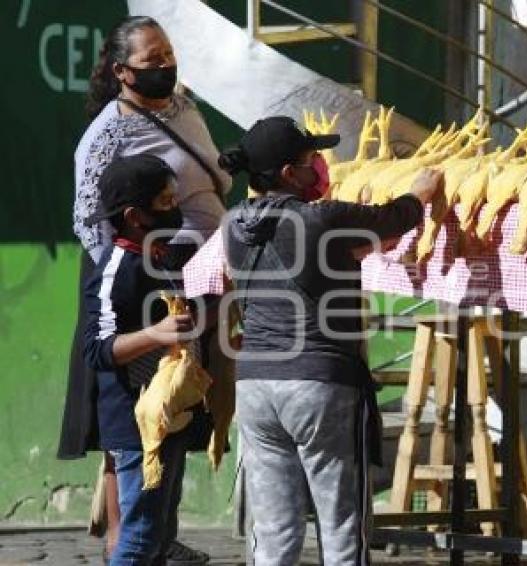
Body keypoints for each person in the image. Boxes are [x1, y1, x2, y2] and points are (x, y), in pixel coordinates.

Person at [219, 116, 442, 565]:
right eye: (310, 160)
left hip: (255, 388)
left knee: (274, 530)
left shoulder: (231, 224)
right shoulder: (324, 217)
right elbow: (394, 220)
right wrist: (422, 190)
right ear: (288, 174)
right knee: (341, 525)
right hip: (320, 386)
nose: (320, 166)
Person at [59, 15, 229, 564]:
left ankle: (152, 539)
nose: (164, 65)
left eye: (167, 55)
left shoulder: (183, 109)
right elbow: (90, 219)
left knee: (180, 415)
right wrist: (139, 269)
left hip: (197, 284)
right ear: (121, 70)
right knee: (134, 424)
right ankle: (127, 545)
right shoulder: (109, 131)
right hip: (144, 291)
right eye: (151, 59)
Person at [83, 154, 196, 565]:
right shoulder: (117, 268)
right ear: (134, 216)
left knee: (160, 532)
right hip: (134, 422)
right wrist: (155, 335)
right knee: (140, 536)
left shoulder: (161, 257)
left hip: (169, 414)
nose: (175, 209)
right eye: (165, 202)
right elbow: (97, 350)